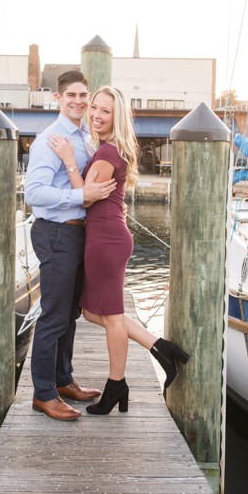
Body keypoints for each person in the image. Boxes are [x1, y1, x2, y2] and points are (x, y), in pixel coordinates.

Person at [48, 86, 190, 415]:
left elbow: (83, 196)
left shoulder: (107, 154)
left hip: (105, 240)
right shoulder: (111, 150)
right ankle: (160, 347)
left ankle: (116, 385)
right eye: (94, 108)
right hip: (108, 237)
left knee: (110, 316)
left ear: (117, 117)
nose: (96, 114)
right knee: (92, 312)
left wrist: (69, 160)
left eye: (105, 111)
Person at [24, 70, 117, 421]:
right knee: (52, 316)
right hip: (57, 233)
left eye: (84, 95)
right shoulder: (51, 139)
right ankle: (43, 394)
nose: (79, 101)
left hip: (79, 234)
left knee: (70, 315)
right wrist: (80, 195)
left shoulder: (84, 137)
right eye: (72, 96)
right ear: (58, 99)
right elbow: (33, 193)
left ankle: (63, 380)